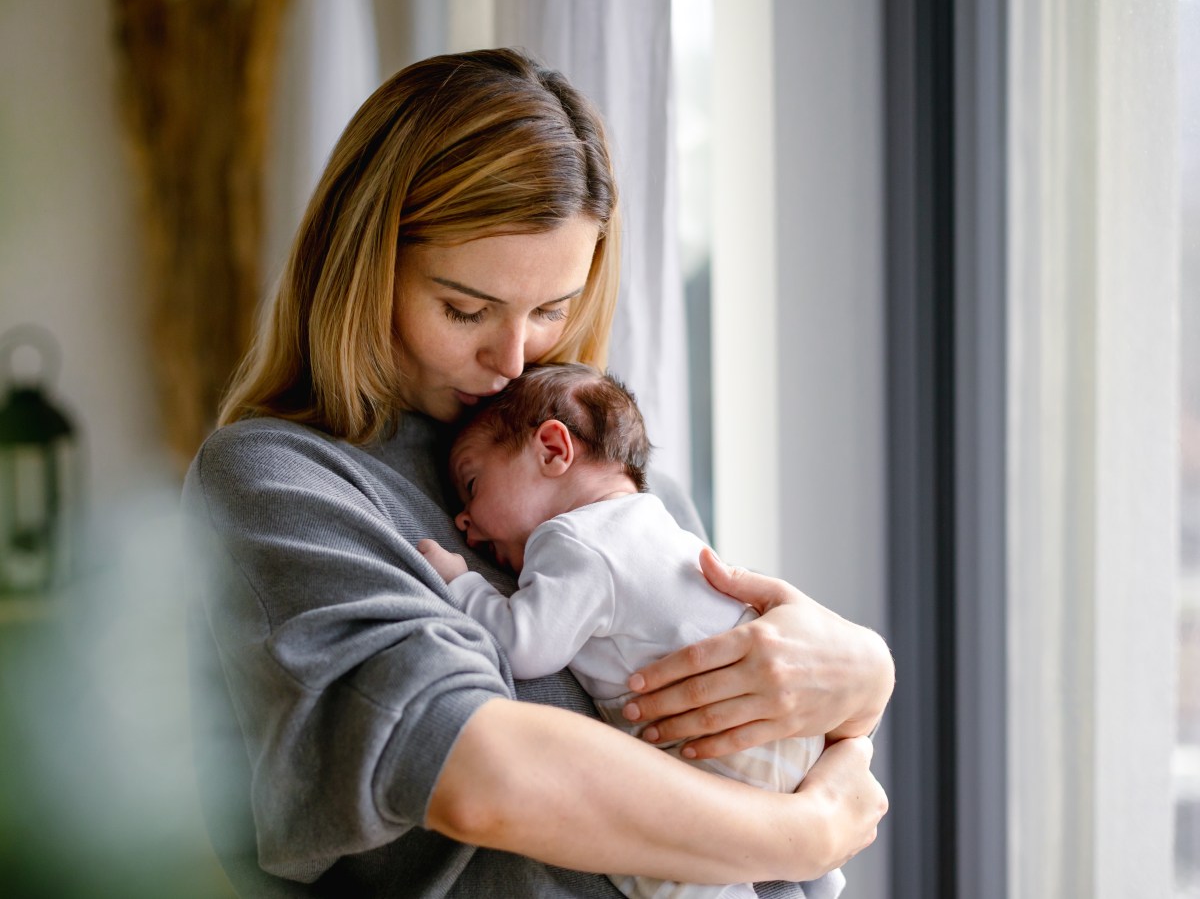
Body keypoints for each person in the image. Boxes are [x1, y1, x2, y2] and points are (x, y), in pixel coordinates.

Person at [183, 47, 892, 898]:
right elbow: (475, 767)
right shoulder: (281, 481)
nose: (512, 359)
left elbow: (755, 746)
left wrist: (859, 684)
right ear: (363, 264)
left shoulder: (626, 489)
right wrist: (803, 834)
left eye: (551, 310)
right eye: (465, 309)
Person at [416, 362, 847, 899]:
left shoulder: (573, 540)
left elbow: (521, 646)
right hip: (777, 730)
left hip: (713, 745)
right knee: (790, 854)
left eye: (473, 484)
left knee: (656, 861)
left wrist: (463, 583)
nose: (463, 521)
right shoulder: (656, 520)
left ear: (553, 449)